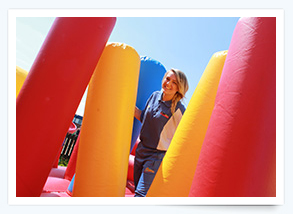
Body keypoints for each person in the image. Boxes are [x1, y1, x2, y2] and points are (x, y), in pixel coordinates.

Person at [133, 68, 189, 197]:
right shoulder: (154, 95)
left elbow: (185, 135)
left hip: (156, 156)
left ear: (179, 88)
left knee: (140, 194)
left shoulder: (179, 109)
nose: (169, 84)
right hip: (141, 149)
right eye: (167, 79)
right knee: (139, 189)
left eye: (174, 82)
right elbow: (144, 118)